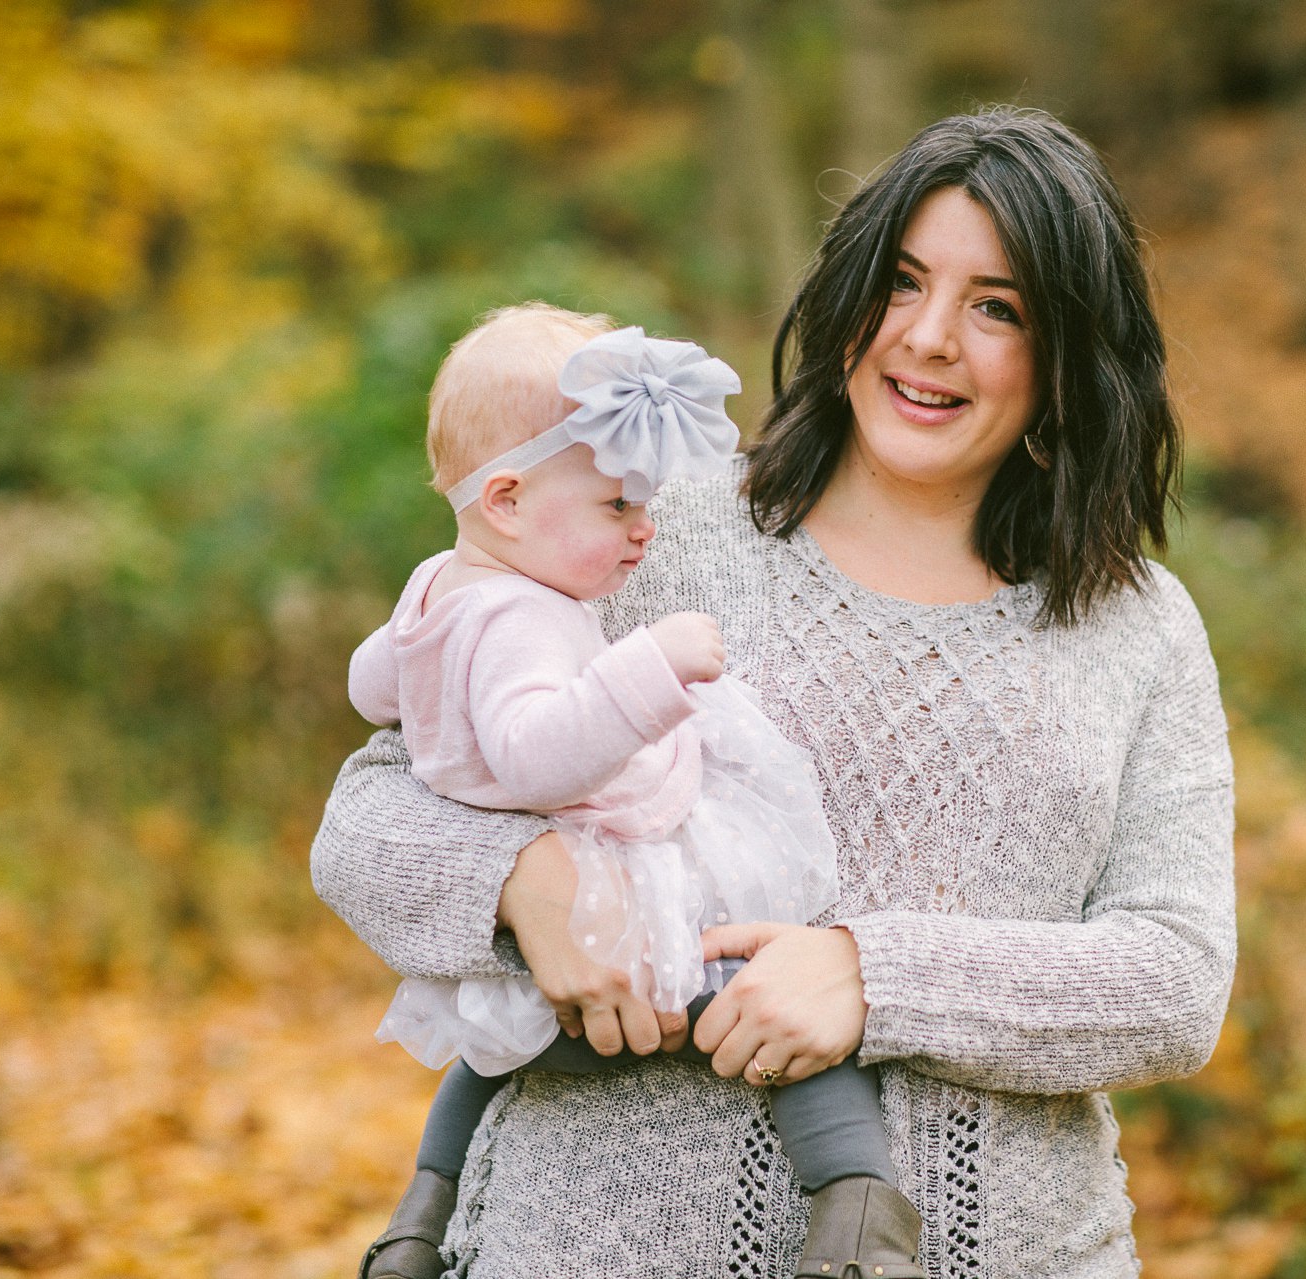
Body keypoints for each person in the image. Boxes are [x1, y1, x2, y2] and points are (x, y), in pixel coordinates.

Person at [314, 105, 1236, 1279]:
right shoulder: (647, 534)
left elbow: (1175, 978)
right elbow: (367, 815)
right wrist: (518, 884)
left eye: (996, 307)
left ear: (1070, 357)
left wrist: (875, 975)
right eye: (901, 284)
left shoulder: (1135, 627)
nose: (931, 338)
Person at [346, 305, 921, 1279]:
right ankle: (859, 1204)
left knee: (489, 1054)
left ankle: (421, 1217)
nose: (645, 529)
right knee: (761, 997)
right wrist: (651, 665)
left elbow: (371, 686)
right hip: (610, 902)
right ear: (510, 501)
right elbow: (534, 754)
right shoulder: (524, 617)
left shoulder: (434, 590)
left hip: (527, 959)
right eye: (617, 506)